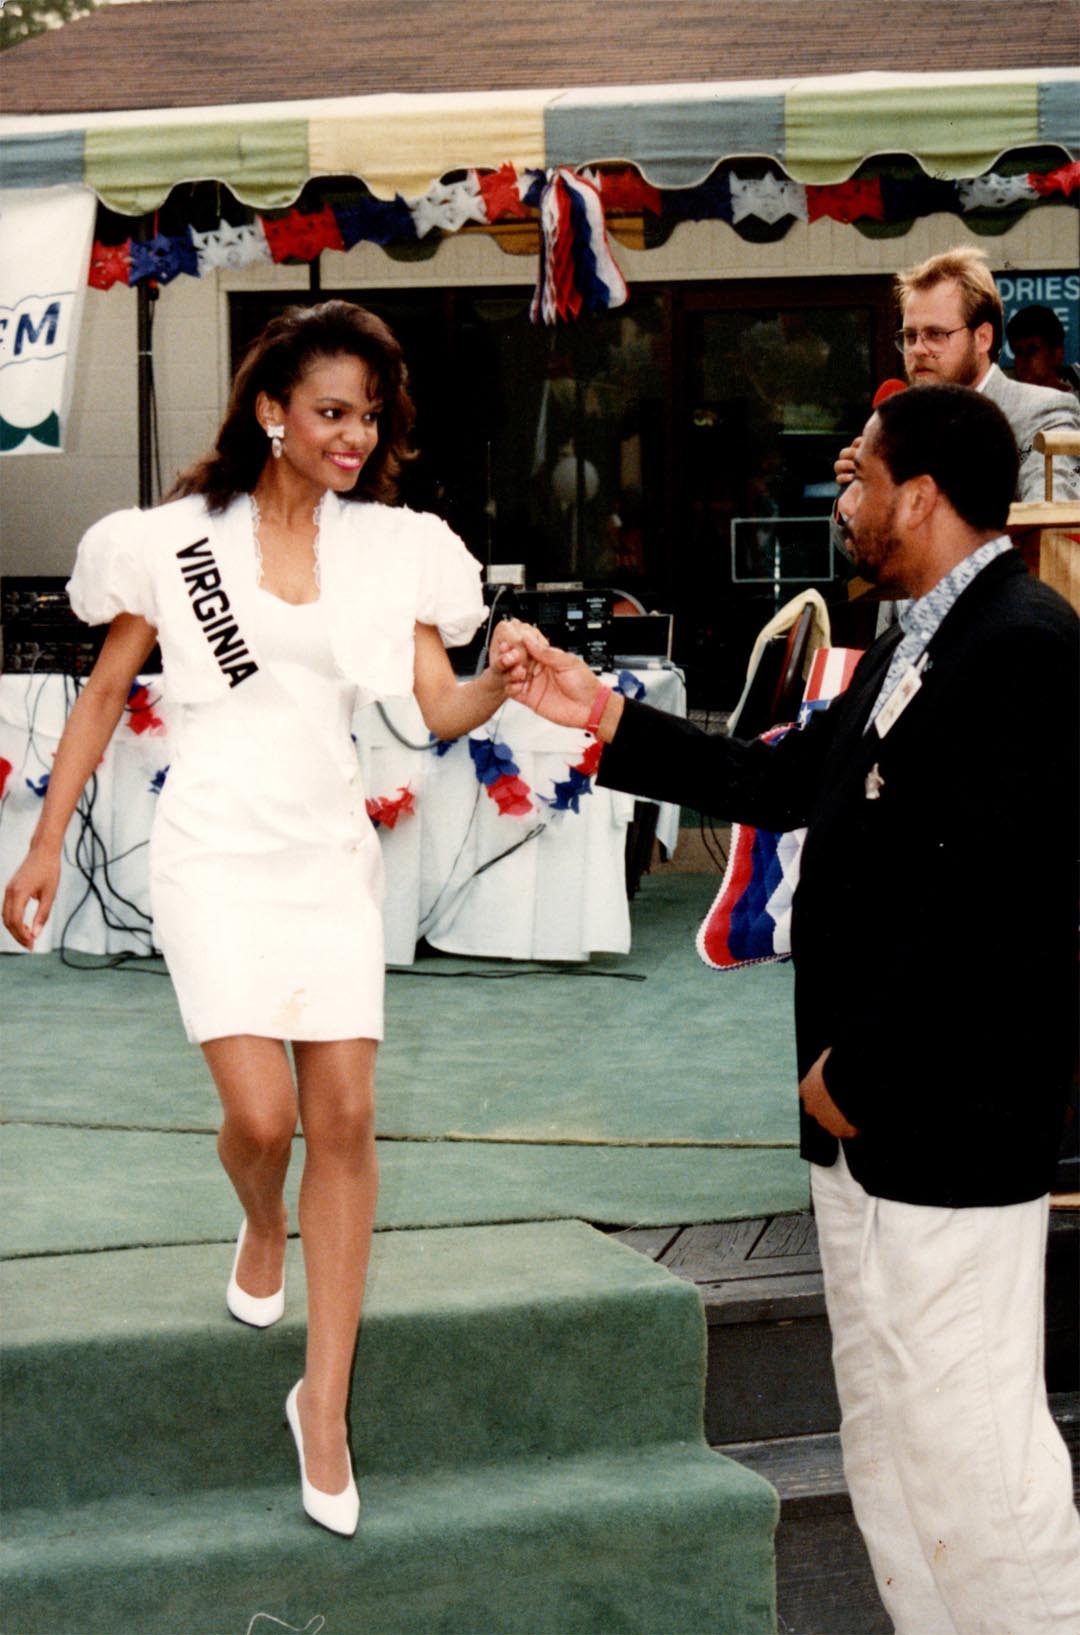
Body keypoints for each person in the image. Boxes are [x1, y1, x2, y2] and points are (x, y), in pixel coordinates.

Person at [507, 385, 1080, 1634]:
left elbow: (1003, 911)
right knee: (888, 1444)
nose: (845, 496)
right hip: (863, 1137)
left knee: (979, 1457)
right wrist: (596, 715)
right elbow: (778, 777)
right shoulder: (913, 639)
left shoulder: (1024, 643)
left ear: (920, 496)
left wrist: (861, 1075)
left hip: (942, 1132)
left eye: (860, 474)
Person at [2, 299, 536, 1539]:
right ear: (271, 415)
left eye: (368, 415)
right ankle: (258, 1213)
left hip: (324, 854)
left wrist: (493, 682)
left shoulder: (392, 548)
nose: (354, 435)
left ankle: (326, 1400)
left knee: (342, 1117)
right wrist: (41, 844)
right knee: (264, 1118)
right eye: (331, 412)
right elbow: (99, 698)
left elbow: (434, 711)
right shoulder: (178, 541)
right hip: (214, 854)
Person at [835, 246, 1080, 502]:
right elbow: (851, 539)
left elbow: (1052, 521)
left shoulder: (1041, 412)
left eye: (936, 334)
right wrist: (857, 495)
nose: (917, 349)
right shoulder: (903, 428)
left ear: (983, 338)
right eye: (910, 336)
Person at [1006, 303, 1080, 396]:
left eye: (1032, 350)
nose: (1024, 360)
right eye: (1018, 352)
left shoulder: (1076, 404)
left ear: (1057, 355)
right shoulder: (1006, 403)